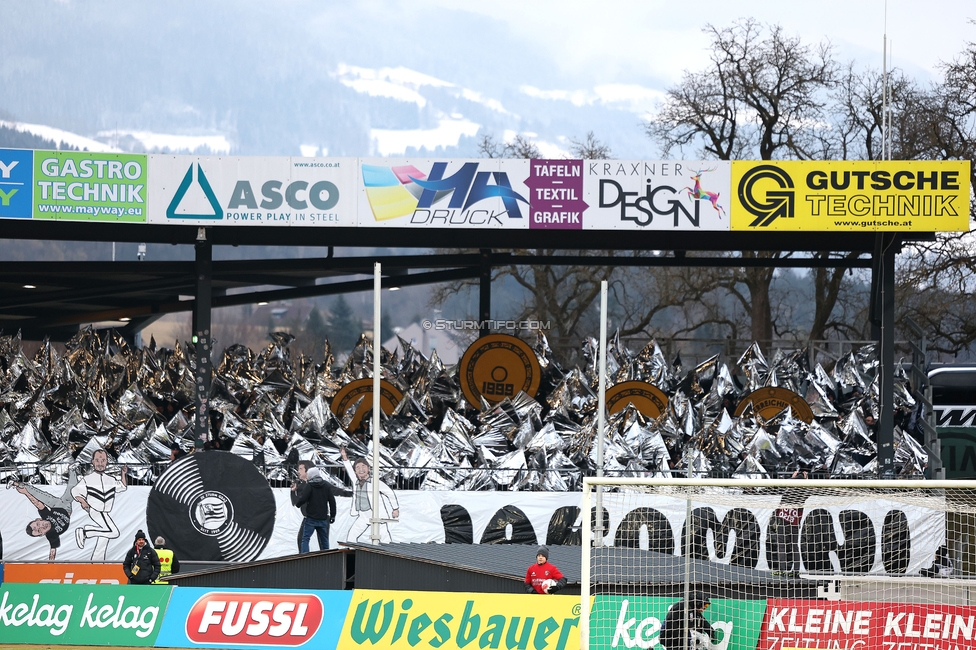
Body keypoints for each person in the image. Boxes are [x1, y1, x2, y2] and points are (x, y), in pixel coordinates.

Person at [9, 468, 79, 560]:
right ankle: (72, 469)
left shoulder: (45, 516)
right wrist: (51, 565)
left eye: (38, 524)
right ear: (42, 534)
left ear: (38, 519)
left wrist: (26, 492)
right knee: (71, 491)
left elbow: (37, 503)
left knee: (40, 495)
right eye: (39, 531)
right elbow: (52, 552)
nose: (41, 527)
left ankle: (16, 483)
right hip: (66, 507)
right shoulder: (51, 535)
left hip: (55, 505)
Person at [72, 449, 127, 561]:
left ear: (107, 461)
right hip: (95, 510)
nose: (100, 463)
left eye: (103, 460)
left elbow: (122, 486)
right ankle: (85, 532)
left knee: (104, 537)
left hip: (104, 511)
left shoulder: (110, 479)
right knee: (114, 532)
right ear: (93, 462)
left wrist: (123, 474)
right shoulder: (88, 479)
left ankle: (97, 561)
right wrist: (83, 501)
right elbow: (75, 491)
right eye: (97, 460)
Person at [340, 447, 399, 543]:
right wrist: (344, 457)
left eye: (363, 466)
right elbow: (349, 470)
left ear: (368, 468)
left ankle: (390, 556)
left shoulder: (375, 481)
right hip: (363, 515)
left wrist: (395, 508)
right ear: (355, 471)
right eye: (357, 468)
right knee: (351, 537)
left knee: (385, 539)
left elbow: (389, 493)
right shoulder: (356, 481)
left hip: (376, 515)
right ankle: (352, 556)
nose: (361, 469)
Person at [770, 467, 807, 576]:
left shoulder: (789, 490)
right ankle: (795, 571)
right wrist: (806, 480)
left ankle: (782, 569)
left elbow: (783, 488)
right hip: (794, 522)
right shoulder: (803, 493)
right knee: (794, 546)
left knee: (782, 545)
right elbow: (810, 489)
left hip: (784, 520)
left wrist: (792, 477)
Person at [294, 465, 337, 552]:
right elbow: (332, 501)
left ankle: (304, 557)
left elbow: (303, 498)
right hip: (323, 517)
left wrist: (298, 504)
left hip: (311, 518)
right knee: (324, 540)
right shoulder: (326, 485)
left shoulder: (309, 485)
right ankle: (326, 557)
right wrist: (333, 515)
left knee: (305, 539)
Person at [290, 460, 311, 552]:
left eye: (301, 469)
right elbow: (296, 503)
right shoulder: (301, 486)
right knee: (301, 539)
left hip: (317, 516)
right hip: (308, 517)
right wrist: (293, 491)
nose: (298, 471)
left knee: (322, 541)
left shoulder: (314, 483)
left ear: (307, 470)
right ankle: (304, 559)